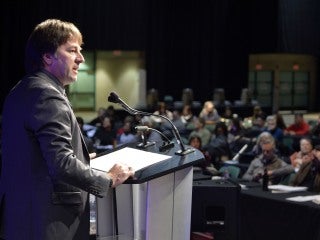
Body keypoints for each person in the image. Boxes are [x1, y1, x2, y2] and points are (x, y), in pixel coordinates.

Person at [0, 19, 134, 240]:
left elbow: (30, 154)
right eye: (72, 50)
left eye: (79, 51)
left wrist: (80, 157)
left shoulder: (21, 89)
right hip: (47, 223)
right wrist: (109, 179)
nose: (80, 58)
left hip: (21, 218)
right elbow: (60, 163)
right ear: (47, 56)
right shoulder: (47, 94)